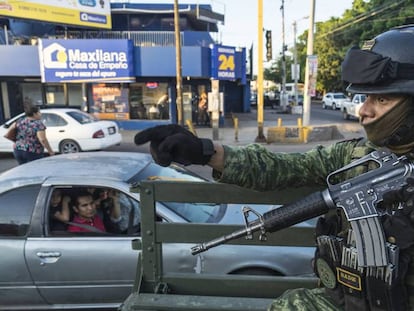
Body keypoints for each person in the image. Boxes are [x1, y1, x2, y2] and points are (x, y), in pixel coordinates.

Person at [134, 25, 414, 310]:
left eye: (382, 99)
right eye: (365, 98)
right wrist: (204, 152)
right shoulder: (356, 157)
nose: (364, 111)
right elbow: (281, 167)